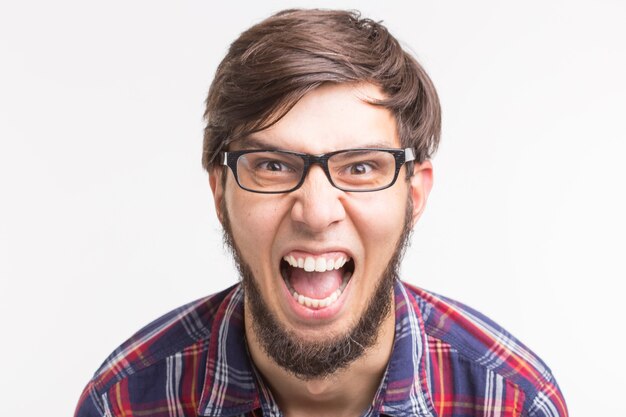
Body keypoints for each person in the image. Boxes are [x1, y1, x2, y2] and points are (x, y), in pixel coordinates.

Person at [75, 9, 568, 417]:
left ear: (414, 195)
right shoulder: (122, 402)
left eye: (360, 166)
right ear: (220, 191)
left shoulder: (513, 402)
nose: (316, 212)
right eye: (272, 165)